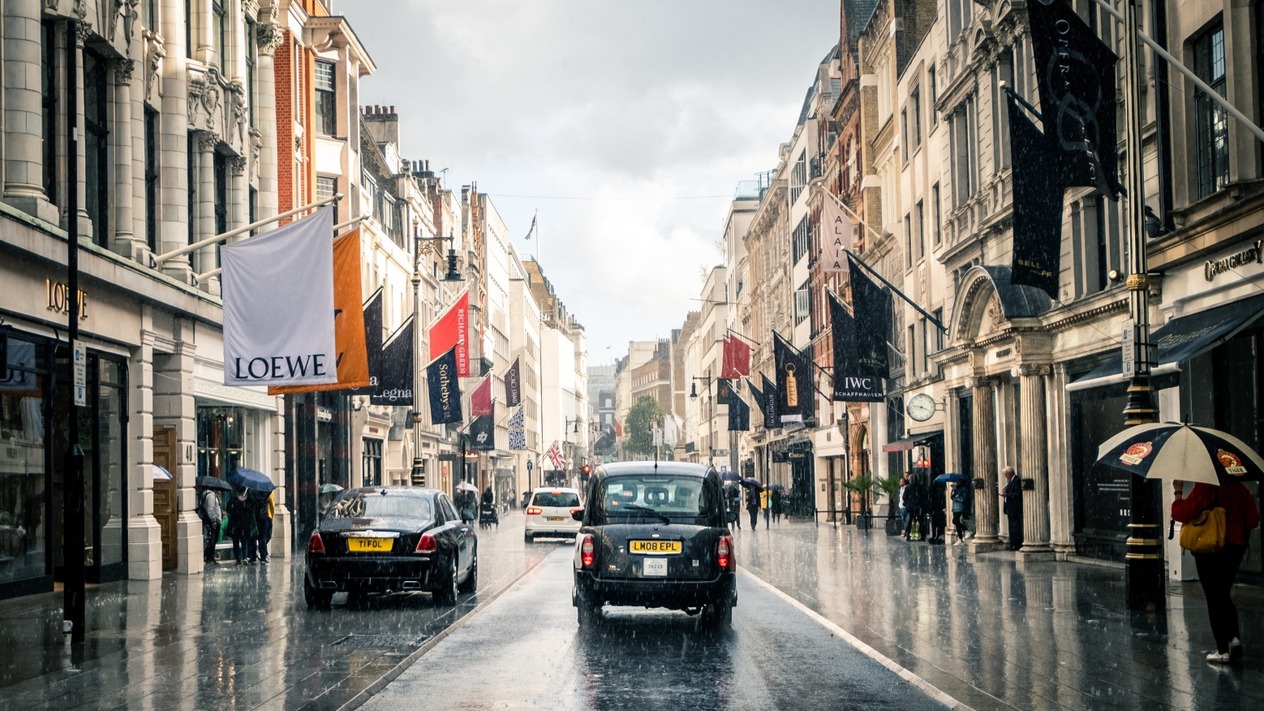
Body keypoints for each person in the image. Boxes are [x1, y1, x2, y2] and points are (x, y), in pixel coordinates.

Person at [1172, 479, 1260, 664]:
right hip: (1236, 548)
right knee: (1223, 594)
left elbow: (1181, 513)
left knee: (1214, 598)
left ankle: (1222, 650)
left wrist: (1178, 493)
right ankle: (1234, 638)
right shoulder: (1239, 488)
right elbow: (1252, 520)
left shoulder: (1205, 486)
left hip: (1210, 548)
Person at [226, 488, 256, 565]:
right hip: (245, 524)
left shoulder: (234, 499)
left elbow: (228, 509)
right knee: (244, 541)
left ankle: (238, 559)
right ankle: (244, 557)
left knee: (236, 542)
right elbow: (252, 510)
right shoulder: (249, 499)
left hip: (235, 524)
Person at [198, 485, 222, 565]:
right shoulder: (211, 496)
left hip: (212, 520)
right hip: (212, 521)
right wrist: (214, 520)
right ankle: (209, 557)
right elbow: (210, 509)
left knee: (212, 539)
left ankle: (210, 556)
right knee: (212, 539)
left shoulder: (209, 494)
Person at [1001, 466, 1023, 551]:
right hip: (1010, 508)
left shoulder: (1017, 480)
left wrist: (1007, 495)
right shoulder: (1011, 481)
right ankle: (1013, 543)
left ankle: (1016, 544)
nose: (1005, 476)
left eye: (1006, 474)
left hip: (1015, 508)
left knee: (1015, 527)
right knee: (1012, 526)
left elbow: (1018, 494)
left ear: (1010, 473)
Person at [902, 475, 926, 541]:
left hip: (910, 507)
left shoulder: (908, 487)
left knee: (909, 521)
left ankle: (908, 535)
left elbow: (904, 497)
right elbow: (923, 496)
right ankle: (922, 536)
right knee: (920, 521)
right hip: (918, 506)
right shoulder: (920, 487)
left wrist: (907, 502)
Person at [254, 490, 274, 564]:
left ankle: (257, 553)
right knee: (263, 537)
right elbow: (271, 505)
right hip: (264, 518)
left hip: (257, 518)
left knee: (259, 537)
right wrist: (272, 515)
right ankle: (263, 556)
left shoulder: (255, 494)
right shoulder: (266, 494)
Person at [927, 480, 947, 544]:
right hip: (938, 509)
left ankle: (935, 536)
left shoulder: (932, 492)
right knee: (938, 523)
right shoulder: (939, 491)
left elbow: (930, 500)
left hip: (935, 510)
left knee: (935, 524)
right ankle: (937, 535)